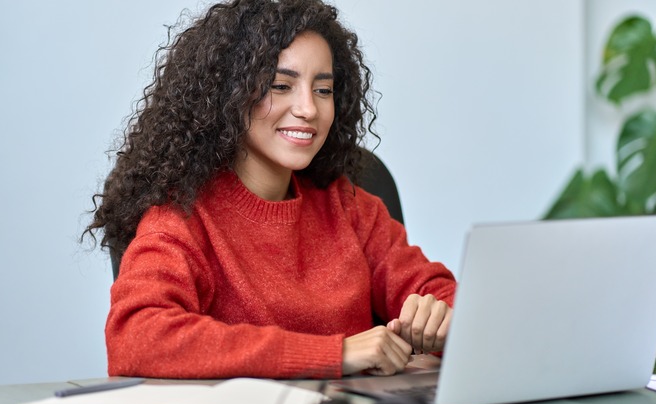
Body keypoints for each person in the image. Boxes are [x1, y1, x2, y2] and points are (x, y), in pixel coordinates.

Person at [84, 0, 457, 379]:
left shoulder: (350, 206)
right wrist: (333, 354)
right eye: (281, 86)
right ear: (229, 92)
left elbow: (451, 302)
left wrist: (440, 320)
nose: (308, 109)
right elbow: (137, 339)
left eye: (323, 89)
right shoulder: (182, 216)